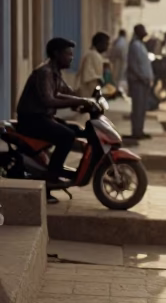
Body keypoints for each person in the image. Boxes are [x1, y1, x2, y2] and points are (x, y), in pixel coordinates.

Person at [16, 38, 99, 195]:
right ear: (56, 54)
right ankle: (51, 177)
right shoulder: (45, 72)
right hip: (32, 120)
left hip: (43, 118)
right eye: (68, 54)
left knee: (77, 129)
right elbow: (49, 100)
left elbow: (67, 93)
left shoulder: (55, 73)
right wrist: (80, 101)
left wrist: (86, 101)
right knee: (66, 136)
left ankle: (59, 170)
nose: (71, 57)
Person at [126, 24, 154, 141]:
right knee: (137, 108)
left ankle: (140, 131)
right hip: (138, 82)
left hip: (144, 82)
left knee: (142, 108)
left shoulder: (141, 45)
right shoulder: (135, 46)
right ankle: (136, 131)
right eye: (143, 30)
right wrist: (142, 77)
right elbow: (133, 65)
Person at [76, 32, 110, 97]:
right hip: (89, 90)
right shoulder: (91, 55)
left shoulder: (96, 55)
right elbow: (88, 74)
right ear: (99, 43)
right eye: (106, 44)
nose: (107, 46)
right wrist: (100, 79)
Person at [109, 29, 128, 96]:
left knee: (118, 78)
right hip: (120, 62)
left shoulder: (119, 41)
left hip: (119, 63)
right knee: (119, 78)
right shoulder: (123, 42)